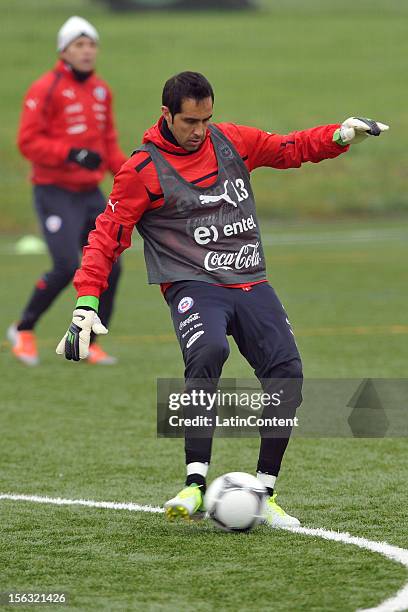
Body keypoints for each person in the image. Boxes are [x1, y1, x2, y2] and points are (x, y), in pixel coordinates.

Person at [56, 72, 388, 526]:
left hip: (250, 279)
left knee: (288, 371)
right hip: (194, 284)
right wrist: (86, 303)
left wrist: (339, 134)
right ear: (166, 116)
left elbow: (289, 149)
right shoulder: (142, 171)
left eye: (206, 119)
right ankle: (194, 485)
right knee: (210, 350)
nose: (199, 131)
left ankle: (265, 492)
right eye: (190, 121)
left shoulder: (229, 140)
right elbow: (107, 237)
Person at [8, 16, 127, 366]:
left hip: (90, 193)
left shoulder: (103, 91)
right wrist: (70, 153)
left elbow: (109, 145)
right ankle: (23, 329)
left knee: (111, 267)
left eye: (91, 44)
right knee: (65, 266)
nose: (87, 51)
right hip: (54, 191)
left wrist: (133, 176)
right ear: (64, 50)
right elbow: (27, 141)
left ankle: (87, 341)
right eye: (79, 45)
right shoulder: (45, 88)